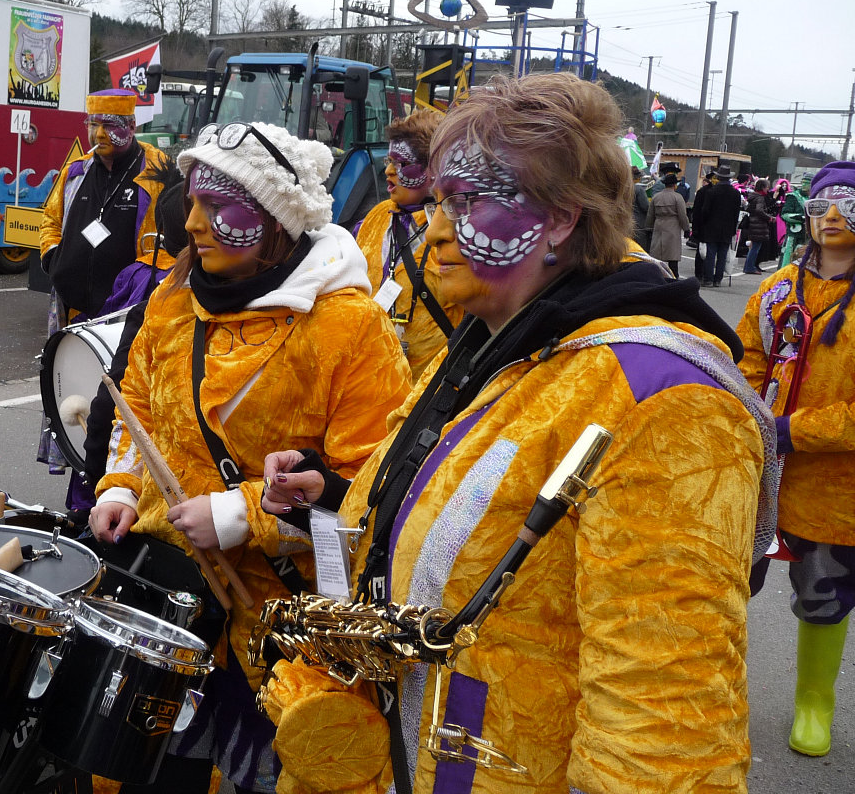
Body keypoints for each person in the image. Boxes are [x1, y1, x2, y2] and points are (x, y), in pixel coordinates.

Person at [257, 73, 776, 794]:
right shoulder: (499, 340)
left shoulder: (666, 402)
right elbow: (486, 508)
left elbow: (662, 729)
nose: (437, 228)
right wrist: (337, 494)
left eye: (466, 202)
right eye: (438, 200)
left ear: (562, 218)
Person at [89, 122, 411, 794]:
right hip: (170, 595)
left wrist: (241, 517)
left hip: (277, 628)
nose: (196, 223)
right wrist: (119, 489)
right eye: (193, 203)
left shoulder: (349, 326)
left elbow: (374, 494)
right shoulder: (175, 299)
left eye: (220, 207)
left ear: (275, 219)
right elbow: (138, 409)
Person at [738, 160, 855, 758]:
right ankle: (712, 688)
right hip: (758, 471)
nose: (832, 216)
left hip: (834, 487)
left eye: (849, 205)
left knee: (822, 594)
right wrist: (747, 412)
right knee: (727, 583)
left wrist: (792, 429)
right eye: (821, 204)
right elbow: (747, 355)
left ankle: (815, 699)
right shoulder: (778, 287)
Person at [37, 88, 171, 505]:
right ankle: (81, 490)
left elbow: (173, 235)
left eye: (108, 126)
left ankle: (114, 492)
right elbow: (50, 219)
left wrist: (144, 281)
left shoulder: (157, 171)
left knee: (117, 409)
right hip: (76, 312)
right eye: (92, 124)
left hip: (127, 317)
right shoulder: (76, 171)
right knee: (72, 396)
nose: (98, 134)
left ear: (130, 127)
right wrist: (54, 258)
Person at [354, 107, 462, 380]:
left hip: (428, 385)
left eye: (402, 164)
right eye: (389, 161)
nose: (389, 171)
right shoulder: (376, 216)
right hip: (370, 376)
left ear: (435, 169)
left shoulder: (454, 227)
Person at [692, 165, 743, 287]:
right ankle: (718, 280)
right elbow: (737, 212)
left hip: (711, 227)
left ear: (718, 177)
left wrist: (703, 223)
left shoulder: (711, 192)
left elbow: (705, 210)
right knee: (722, 255)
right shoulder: (735, 193)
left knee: (710, 254)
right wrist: (733, 227)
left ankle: (708, 279)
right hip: (727, 228)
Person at [645, 171, 691, 277]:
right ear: (674, 185)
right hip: (673, 227)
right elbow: (682, 215)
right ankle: (674, 275)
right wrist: (686, 229)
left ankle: (655, 275)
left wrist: (648, 227)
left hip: (659, 225)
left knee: (657, 254)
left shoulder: (656, 197)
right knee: (672, 255)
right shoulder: (678, 197)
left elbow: (650, 215)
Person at [742, 178, 775, 274]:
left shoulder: (752, 196)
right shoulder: (760, 198)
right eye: (767, 187)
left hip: (753, 223)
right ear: (763, 187)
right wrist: (769, 217)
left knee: (753, 247)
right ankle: (750, 267)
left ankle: (748, 266)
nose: (767, 190)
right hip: (759, 225)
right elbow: (759, 210)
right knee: (755, 248)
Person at [780, 175, 809, 267]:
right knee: (788, 260)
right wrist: (802, 218)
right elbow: (785, 214)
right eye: (803, 182)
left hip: (808, 235)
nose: (804, 185)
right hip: (794, 235)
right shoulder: (793, 196)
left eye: (807, 183)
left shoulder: (814, 197)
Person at [630, 164, 651, 250]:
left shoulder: (624, 187)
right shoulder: (639, 189)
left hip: (626, 221)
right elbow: (645, 206)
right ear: (637, 177)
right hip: (639, 223)